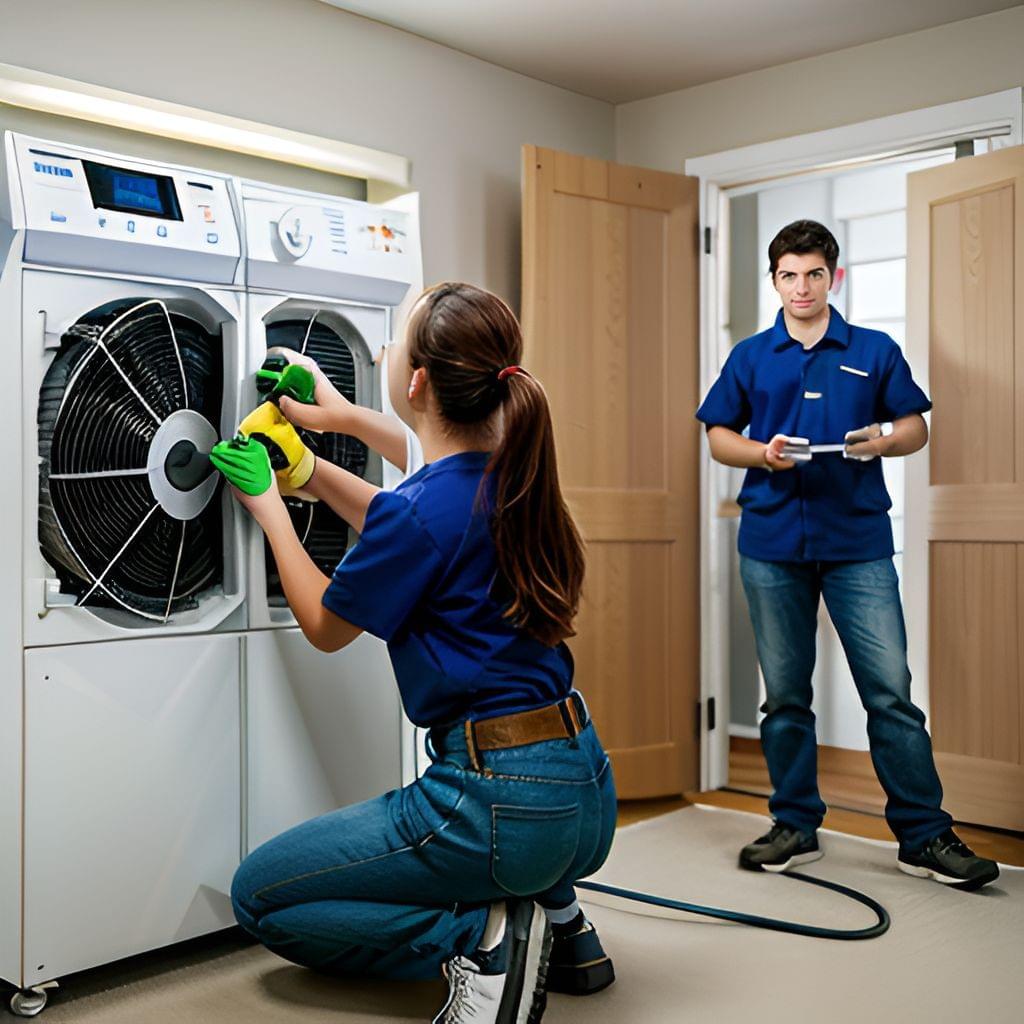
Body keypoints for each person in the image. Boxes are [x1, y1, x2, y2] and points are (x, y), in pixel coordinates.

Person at [214, 283, 617, 1024]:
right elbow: (419, 507)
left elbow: (326, 626)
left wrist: (272, 508)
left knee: (260, 895)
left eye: (391, 343)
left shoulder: (420, 511)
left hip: (493, 803)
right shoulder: (522, 476)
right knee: (524, 838)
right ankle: (565, 927)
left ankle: (483, 937)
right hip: (586, 793)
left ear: (417, 380)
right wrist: (316, 457)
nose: (382, 350)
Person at [696, 220, 999, 891]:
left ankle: (923, 836)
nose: (801, 287)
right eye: (788, 275)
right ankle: (794, 826)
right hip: (771, 545)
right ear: (774, 280)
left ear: (835, 277)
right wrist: (762, 454)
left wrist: (882, 441)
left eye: (813, 274)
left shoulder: (874, 349)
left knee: (890, 694)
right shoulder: (750, 356)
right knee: (785, 696)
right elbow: (719, 436)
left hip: (857, 545)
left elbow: (916, 427)